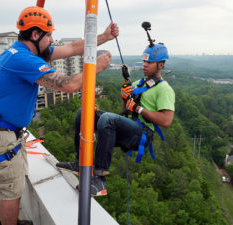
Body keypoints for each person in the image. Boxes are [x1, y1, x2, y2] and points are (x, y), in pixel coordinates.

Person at [0, 6, 118, 225]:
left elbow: (71, 48)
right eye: (49, 34)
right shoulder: (25, 60)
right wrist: (95, 67)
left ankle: (11, 220)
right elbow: (69, 85)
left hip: (2, 130)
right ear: (35, 34)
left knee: (14, 184)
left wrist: (104, 38)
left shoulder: (26, 50)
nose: (52, 39)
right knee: (10, 191)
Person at [56, 43, 175, 197]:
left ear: (161, 65)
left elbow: (166, 121)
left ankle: (99, 179)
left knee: (107, 118)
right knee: (85, 112)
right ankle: (80, 164)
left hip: (143, 133)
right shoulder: (140, 83)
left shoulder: (164, 89)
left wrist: (139, 109)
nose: (145, 65)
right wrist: (125, 98)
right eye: (144, 61)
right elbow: (125, 109)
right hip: (130, 126)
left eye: (149, 62)